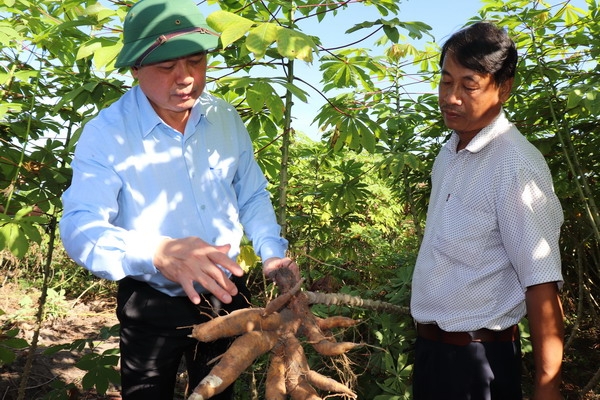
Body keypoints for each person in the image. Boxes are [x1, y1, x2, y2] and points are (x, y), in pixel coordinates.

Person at [59, 0, 298, 398]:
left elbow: (250, 192)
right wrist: (158, 252)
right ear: (135, 68)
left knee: (220, 390)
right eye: (166, 67)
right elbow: (80, 226)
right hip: (152, 301)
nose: (185, 78)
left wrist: (272, 252)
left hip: (226, 295)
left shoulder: (223, 117)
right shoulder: (107, 133)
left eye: (195, 61)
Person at [410, 21, 564, 400]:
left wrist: (548, 386)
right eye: (446, 82)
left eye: (469, 85)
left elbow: (540, 281)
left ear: (504, 88)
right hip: (432, 354)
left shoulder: (514, 164)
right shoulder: (449, 153)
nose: (451, 96)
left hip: (478, 362)